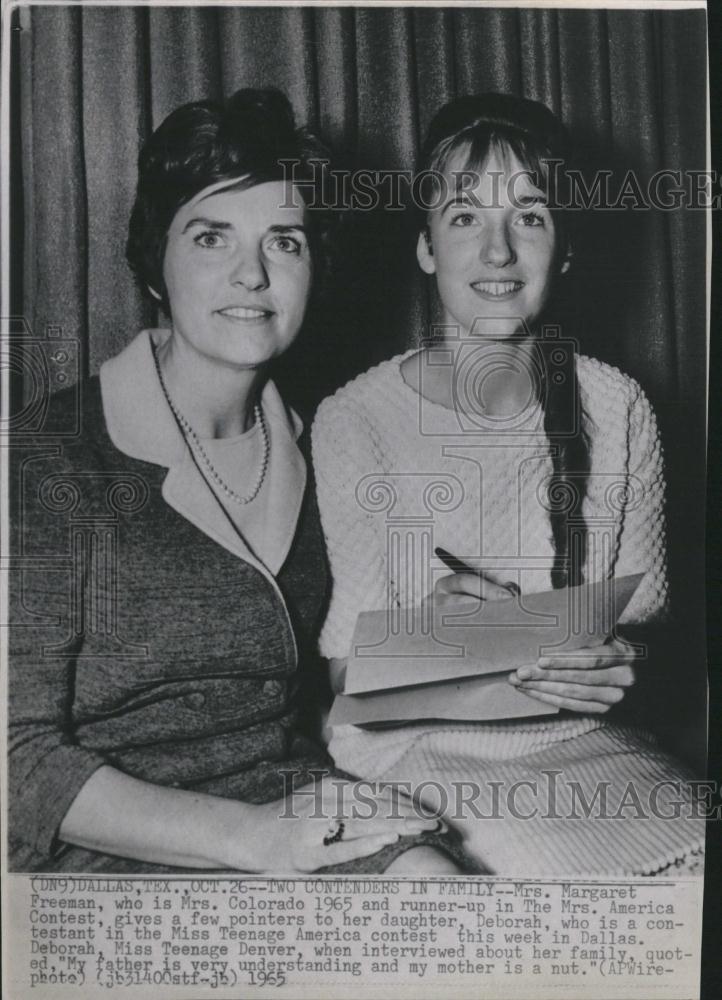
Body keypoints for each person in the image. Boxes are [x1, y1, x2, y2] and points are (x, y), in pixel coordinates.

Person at [8, 88, 463, 874]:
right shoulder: (46, 457)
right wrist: (249, 840)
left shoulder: (330, 441)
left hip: (288, 801)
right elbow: (15, 760)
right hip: (111, 841)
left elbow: (335, 687)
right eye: (212, 237)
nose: (251, 273)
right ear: (157, 262)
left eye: (284, 241)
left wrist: (453, 635)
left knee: (440, 892)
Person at [312, 93, 705, 875]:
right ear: (425, 247)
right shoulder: (354, 418)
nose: (497, 252)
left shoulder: (620, 404)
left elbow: (654, 639)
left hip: (586, 744)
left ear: (563, 249)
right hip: (418, 752)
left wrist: (621, 659)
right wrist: (432, 636)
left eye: (529, 216)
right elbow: (341, 676)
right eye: (463, 217)